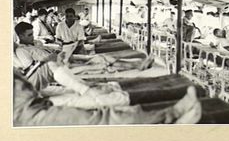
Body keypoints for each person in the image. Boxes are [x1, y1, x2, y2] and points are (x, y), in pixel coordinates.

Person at [13, 67, 202, 126]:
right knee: (102, 113)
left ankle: (170, 114)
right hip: (24, 112)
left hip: (35, 102)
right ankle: (172, 116)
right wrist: (85, 90)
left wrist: (83, 88)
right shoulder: (22, 55)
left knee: (103, 94)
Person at [14, 22, 156, 90]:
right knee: (99, 63)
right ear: (20, 36)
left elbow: (50, 50)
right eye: (29, 35)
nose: (32, 37)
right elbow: (32, 69)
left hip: (63, 58)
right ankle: (137, 65)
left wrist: (59, 52)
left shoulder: (36, 43)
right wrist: (52, 58)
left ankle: (137, 64)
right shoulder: (22, 51)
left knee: (99, 58)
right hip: (57, 69)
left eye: (32, 34)